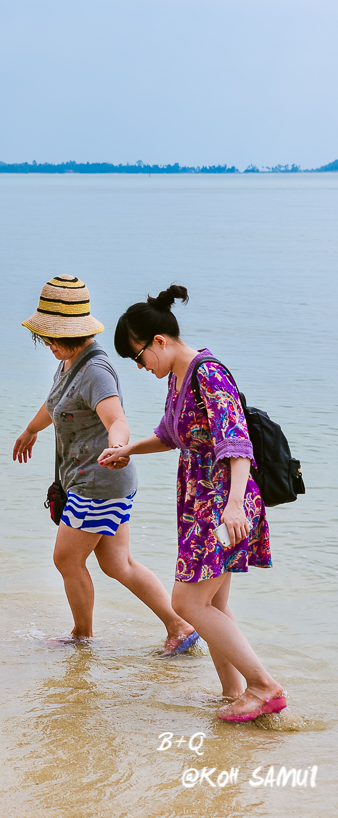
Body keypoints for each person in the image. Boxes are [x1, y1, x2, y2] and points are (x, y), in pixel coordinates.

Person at [101, 284, 284, 723]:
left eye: (138, 356)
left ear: (158, 342)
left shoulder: (207, 373)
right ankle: (232, 692)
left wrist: (235, 504)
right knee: (213, 605)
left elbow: (236, 441)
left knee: (186, 603)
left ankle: (264, 687)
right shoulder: (179, 378)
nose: (140, 366)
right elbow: (169, 436)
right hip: (199, 503)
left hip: (222, 505)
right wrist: (128, 451)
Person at [13, 274, 198, 653]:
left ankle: (82, 636)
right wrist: (31, 430)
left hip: (98, 482)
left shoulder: (95, 370)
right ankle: (179, 627)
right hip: (102, 482)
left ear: (74, 332)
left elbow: (117, 419)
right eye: (43, 336)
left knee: (65, 559)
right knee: (118, 564)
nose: (47, 344)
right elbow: (55, 404)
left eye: (53, 337)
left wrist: (118, 446)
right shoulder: (70, 362)